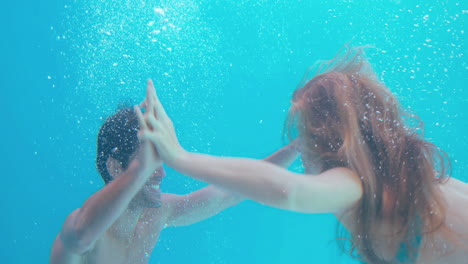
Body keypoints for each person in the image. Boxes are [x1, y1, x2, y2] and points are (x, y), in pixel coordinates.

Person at [137, 47, 468, 263]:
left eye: (305, 134)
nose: (302, 147)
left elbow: (287, 189)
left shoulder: (353, 184)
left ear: (328, 140)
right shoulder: (395, 178)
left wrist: (181, 157)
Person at [50, 92, 299, 264]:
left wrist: (298, 148)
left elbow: (232, 192)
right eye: (147, 161)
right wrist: (139, 170)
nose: (161, 172)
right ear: (116, 167)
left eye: (159, 160)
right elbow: (79, 237)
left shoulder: (156, 214)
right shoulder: (86, 232)